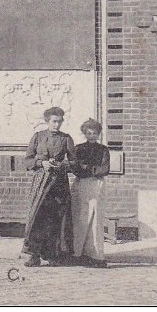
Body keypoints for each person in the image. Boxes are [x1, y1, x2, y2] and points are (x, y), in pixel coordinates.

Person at [22, 106, 76, 267]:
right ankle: (34, 255)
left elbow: (74, 162)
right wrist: (41, 163)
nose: (56, 125)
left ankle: (53, 254)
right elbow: (27, 160)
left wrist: (61, 165)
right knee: (38, 217)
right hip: (40, 182)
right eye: (54, 121)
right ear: (47, 121)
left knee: (56, 218)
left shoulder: (66, 139)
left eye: (59, 122)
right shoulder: (38, 137)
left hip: (58, 184)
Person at [71, 118, 110, 268]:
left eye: (94, 133)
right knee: (80, 218)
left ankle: (96, 255)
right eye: (88, 133)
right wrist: (88, 169)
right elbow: (75, 168)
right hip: (81, 185)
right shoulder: (79, 149)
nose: (91, 135)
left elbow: (105, 169)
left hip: (96, 185)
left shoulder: (103, 150)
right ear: (84, 133)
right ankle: (77, 253)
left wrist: (87, 168)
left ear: (99, 134)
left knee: (96, 219)